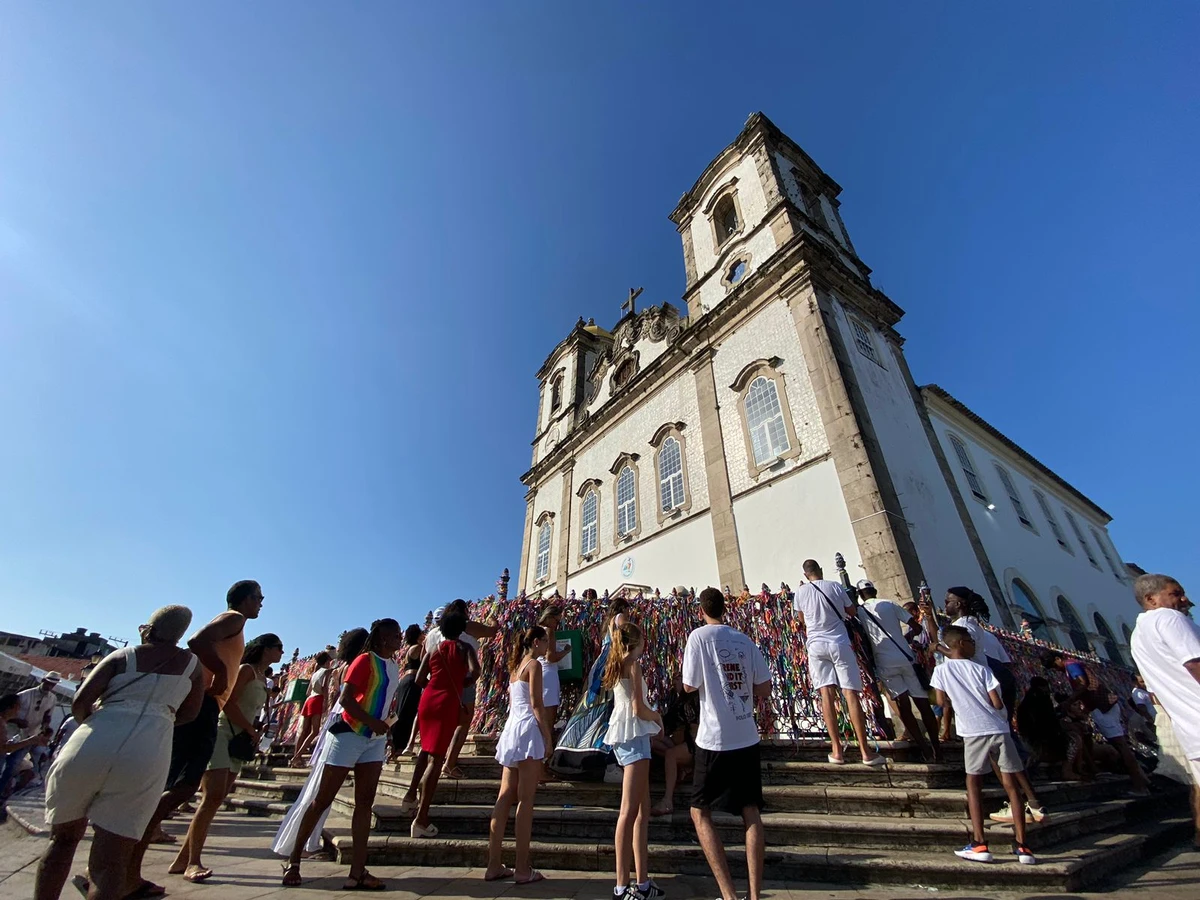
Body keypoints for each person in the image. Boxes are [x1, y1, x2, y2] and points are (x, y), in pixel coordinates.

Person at [35, 606, 206, 900]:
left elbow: (80, 702)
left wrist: (107, 714)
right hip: (147, 751)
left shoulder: (121, 656)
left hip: (95, 738)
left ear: (148, 629)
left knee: (62, 842)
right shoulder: (193, 666)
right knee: (110, 862)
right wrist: (159, 719)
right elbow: (190, 713)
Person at [127, 580, 263, 897]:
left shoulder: (235, 624)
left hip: (204, 705)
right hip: (203, 705)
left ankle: (147, 862)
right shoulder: (234, 618)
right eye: (258, 597)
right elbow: (198, 641)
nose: (261, 603)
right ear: (244, 600)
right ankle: (126, 862)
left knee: (184, 786)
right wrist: (220, 674)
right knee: (182, 786)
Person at [282, 619, 403, 889]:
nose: (400, 638)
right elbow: (346, 699)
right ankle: (294, 861)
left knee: (364, 804)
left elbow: (386, 703)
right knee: (322, 799)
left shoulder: (393, 666)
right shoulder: (365, 661)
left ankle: (357, 871)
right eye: (395, 635)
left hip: (375, 740)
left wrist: (388, 733)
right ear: (383, 638)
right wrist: (371, 722)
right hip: (350, 734)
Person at [170, 634, 285, 883]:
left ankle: (183, 858)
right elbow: (228, 702)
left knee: (217, 798)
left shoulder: (263, 678)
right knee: (211, 797)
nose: (282, 653)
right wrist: (250, 728)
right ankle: (192, 862)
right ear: (266, 649)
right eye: (279, 648)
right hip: (223, 733)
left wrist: (254, 729)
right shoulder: (245, 670)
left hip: (240, 738)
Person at [683, 587, 772, 900]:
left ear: (700, 610)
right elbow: (764, 687)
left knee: (699, 812)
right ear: (726, 608)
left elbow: (689, 684)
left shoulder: (698, 637)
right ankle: (755, 895)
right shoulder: (744, 640)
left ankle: (729, 895)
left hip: (714, 739)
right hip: (746, 736)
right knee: (751, 813)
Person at [930, 625, 1035, 866]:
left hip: (972, 732)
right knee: (1011, 785)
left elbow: (939, 700)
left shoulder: (941, 671)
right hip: (998, 729)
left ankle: (979, 843)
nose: (974, 645)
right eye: (970, 640)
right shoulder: (982, 669)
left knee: (973, 785)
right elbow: (997, 702)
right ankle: (1023, 846)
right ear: (959, 644)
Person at [272, 628, 368, 863]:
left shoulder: (335, 669)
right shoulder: (353, 666)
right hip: (345, 723)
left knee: (317, 788)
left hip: (334, 722)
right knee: (319, 791)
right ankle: (303, 843)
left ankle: (301, 841)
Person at [1129, 574, 1200, 847]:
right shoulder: (1168, 619)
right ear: (1151, 599)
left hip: (1188, 726)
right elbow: (1194, 663)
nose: (1185, 600)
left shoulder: (1138, 637)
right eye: (1176, 593)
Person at [793, 560, 884, 766]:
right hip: (839, 642)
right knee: (850, 693)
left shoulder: (801, 592)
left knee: (826, 693)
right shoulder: (834, 586)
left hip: (816, 645)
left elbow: (801, 619)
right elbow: (851, 611)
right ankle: (865, 751)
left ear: (806, 574)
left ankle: (836, 750)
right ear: (821, 571)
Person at [485, 626, 553, 885]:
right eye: (545, 640)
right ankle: (522, 867)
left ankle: (494, 863)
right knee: (526, 799)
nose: (548, 645)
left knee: (504, 795)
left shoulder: (516, 667)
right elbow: (537, 703)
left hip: (512, 729)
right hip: (527, 730)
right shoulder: (534, 664)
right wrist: (547, 736)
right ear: (536, 642)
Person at [405, 609, 480, 838]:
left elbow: (419, 679)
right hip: (448, 700)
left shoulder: (433, 648)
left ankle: (410, 796)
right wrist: (460, 682)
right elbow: (475, 671)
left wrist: (434, 685)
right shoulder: (464, 648)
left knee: (425, 750)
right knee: (437, 759)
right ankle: (421, 818)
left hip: (428, 700)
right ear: (461, 629)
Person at [603, 622, 664, 900]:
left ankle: (642, 882)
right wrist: (658, 717)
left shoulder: (616, 664)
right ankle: (621, 886)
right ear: (636, 642)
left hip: (624, 736)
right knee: (629, 812)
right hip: (635, 737)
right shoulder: (634, 665)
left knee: (642, 810)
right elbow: (639, 708)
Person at [853, 580, 941, 762]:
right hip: (907, 658)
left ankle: (924, 749)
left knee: (904, 707)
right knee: (923, 705)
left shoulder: (860, 612)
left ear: (860, 595)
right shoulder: (890, 604)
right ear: (875, 590)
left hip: (884, 662)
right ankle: (937, 749)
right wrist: (903, 638)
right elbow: (917, 628)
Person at [549, 596, 629, 779]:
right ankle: (606, 759)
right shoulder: (619, 618)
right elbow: (626, 639)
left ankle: (570, 751)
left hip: (601, 665)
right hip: (611, 664)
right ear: (623, 608)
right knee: (608, 709)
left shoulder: (607, 623)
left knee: (592, 708)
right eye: (627, 610)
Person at [424, 599, 498, 780]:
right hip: (460, 678)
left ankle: (432, 763)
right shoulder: (466, 627)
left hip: (435, 682)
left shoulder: (433, 633)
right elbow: (492, 632)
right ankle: (449, 763)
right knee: (463, 721)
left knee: (441, 723)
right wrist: (493, 618)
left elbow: (426, 658)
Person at [0, 672, 61, 821]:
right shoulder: (24, 696)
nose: (50, 686)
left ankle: (9, 792)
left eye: (53, 684)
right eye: (48, 682)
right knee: (11, 764)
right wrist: (18, 722)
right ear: (43, 680)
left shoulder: (52, 699)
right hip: (16, 734)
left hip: (32, 734)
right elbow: (9, 714)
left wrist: (46, 728)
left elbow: (47, 716)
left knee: (30, 765)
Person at [650, 674, 699, 816]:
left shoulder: (694, 700)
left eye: (679, 678)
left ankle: (667, 800)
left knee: (671, 755)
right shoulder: (676, 700)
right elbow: (666, 724)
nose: (674, 681)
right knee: (651, 742)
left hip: (695, 745)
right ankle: (682, 769)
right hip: (681, 741)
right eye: (675, 677)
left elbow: (697, 731)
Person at [537, 605, 570, 775]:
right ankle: (542, 768)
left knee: (540, 720)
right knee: (548, 722)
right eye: (557, 621)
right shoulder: (548, 631)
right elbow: (550, 657)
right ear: (550, 617)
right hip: (548, 677)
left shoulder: (536, 631)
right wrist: (565, 652)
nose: (557, 625)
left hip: (540, 676)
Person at [388, 625, 425, 758]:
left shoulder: (409, 649)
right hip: (412, 681)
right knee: (407, 712)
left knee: (401, 710)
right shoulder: (418, 648)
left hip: (406, 680)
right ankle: (400, 745)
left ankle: (396, 744)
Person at [290, 650, 332, 767]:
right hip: (318, 699)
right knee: (314, 731)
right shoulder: (326, 672)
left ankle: (296, 756)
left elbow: (308, 691)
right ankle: (297, 756)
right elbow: (324, 688)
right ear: (328, 661)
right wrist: (325, 702)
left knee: (303, 731)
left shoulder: (315, 673)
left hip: (309, 700)